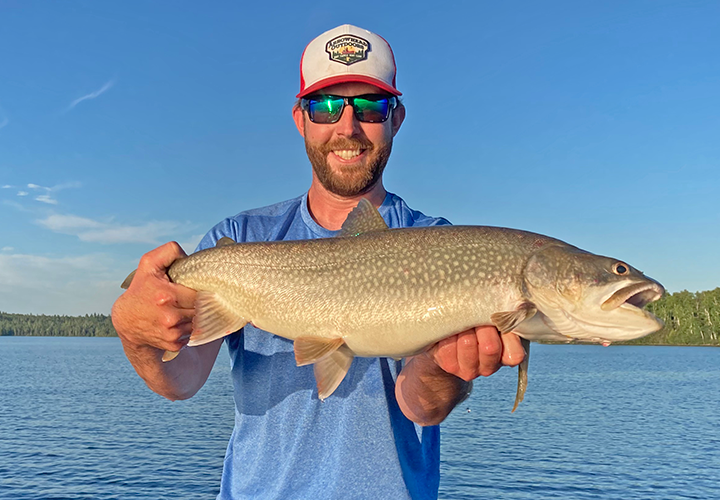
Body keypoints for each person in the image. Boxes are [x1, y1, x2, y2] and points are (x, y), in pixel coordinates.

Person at [111, 24, 525, 500]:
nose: (347, 127)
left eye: (371, 106)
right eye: (326, 106)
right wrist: (133, 330)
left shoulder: (437, 245)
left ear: (397, 118)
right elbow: (179, 381)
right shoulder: (238, 241)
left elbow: (420, 406)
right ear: (300, 118)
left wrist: (444, 367)